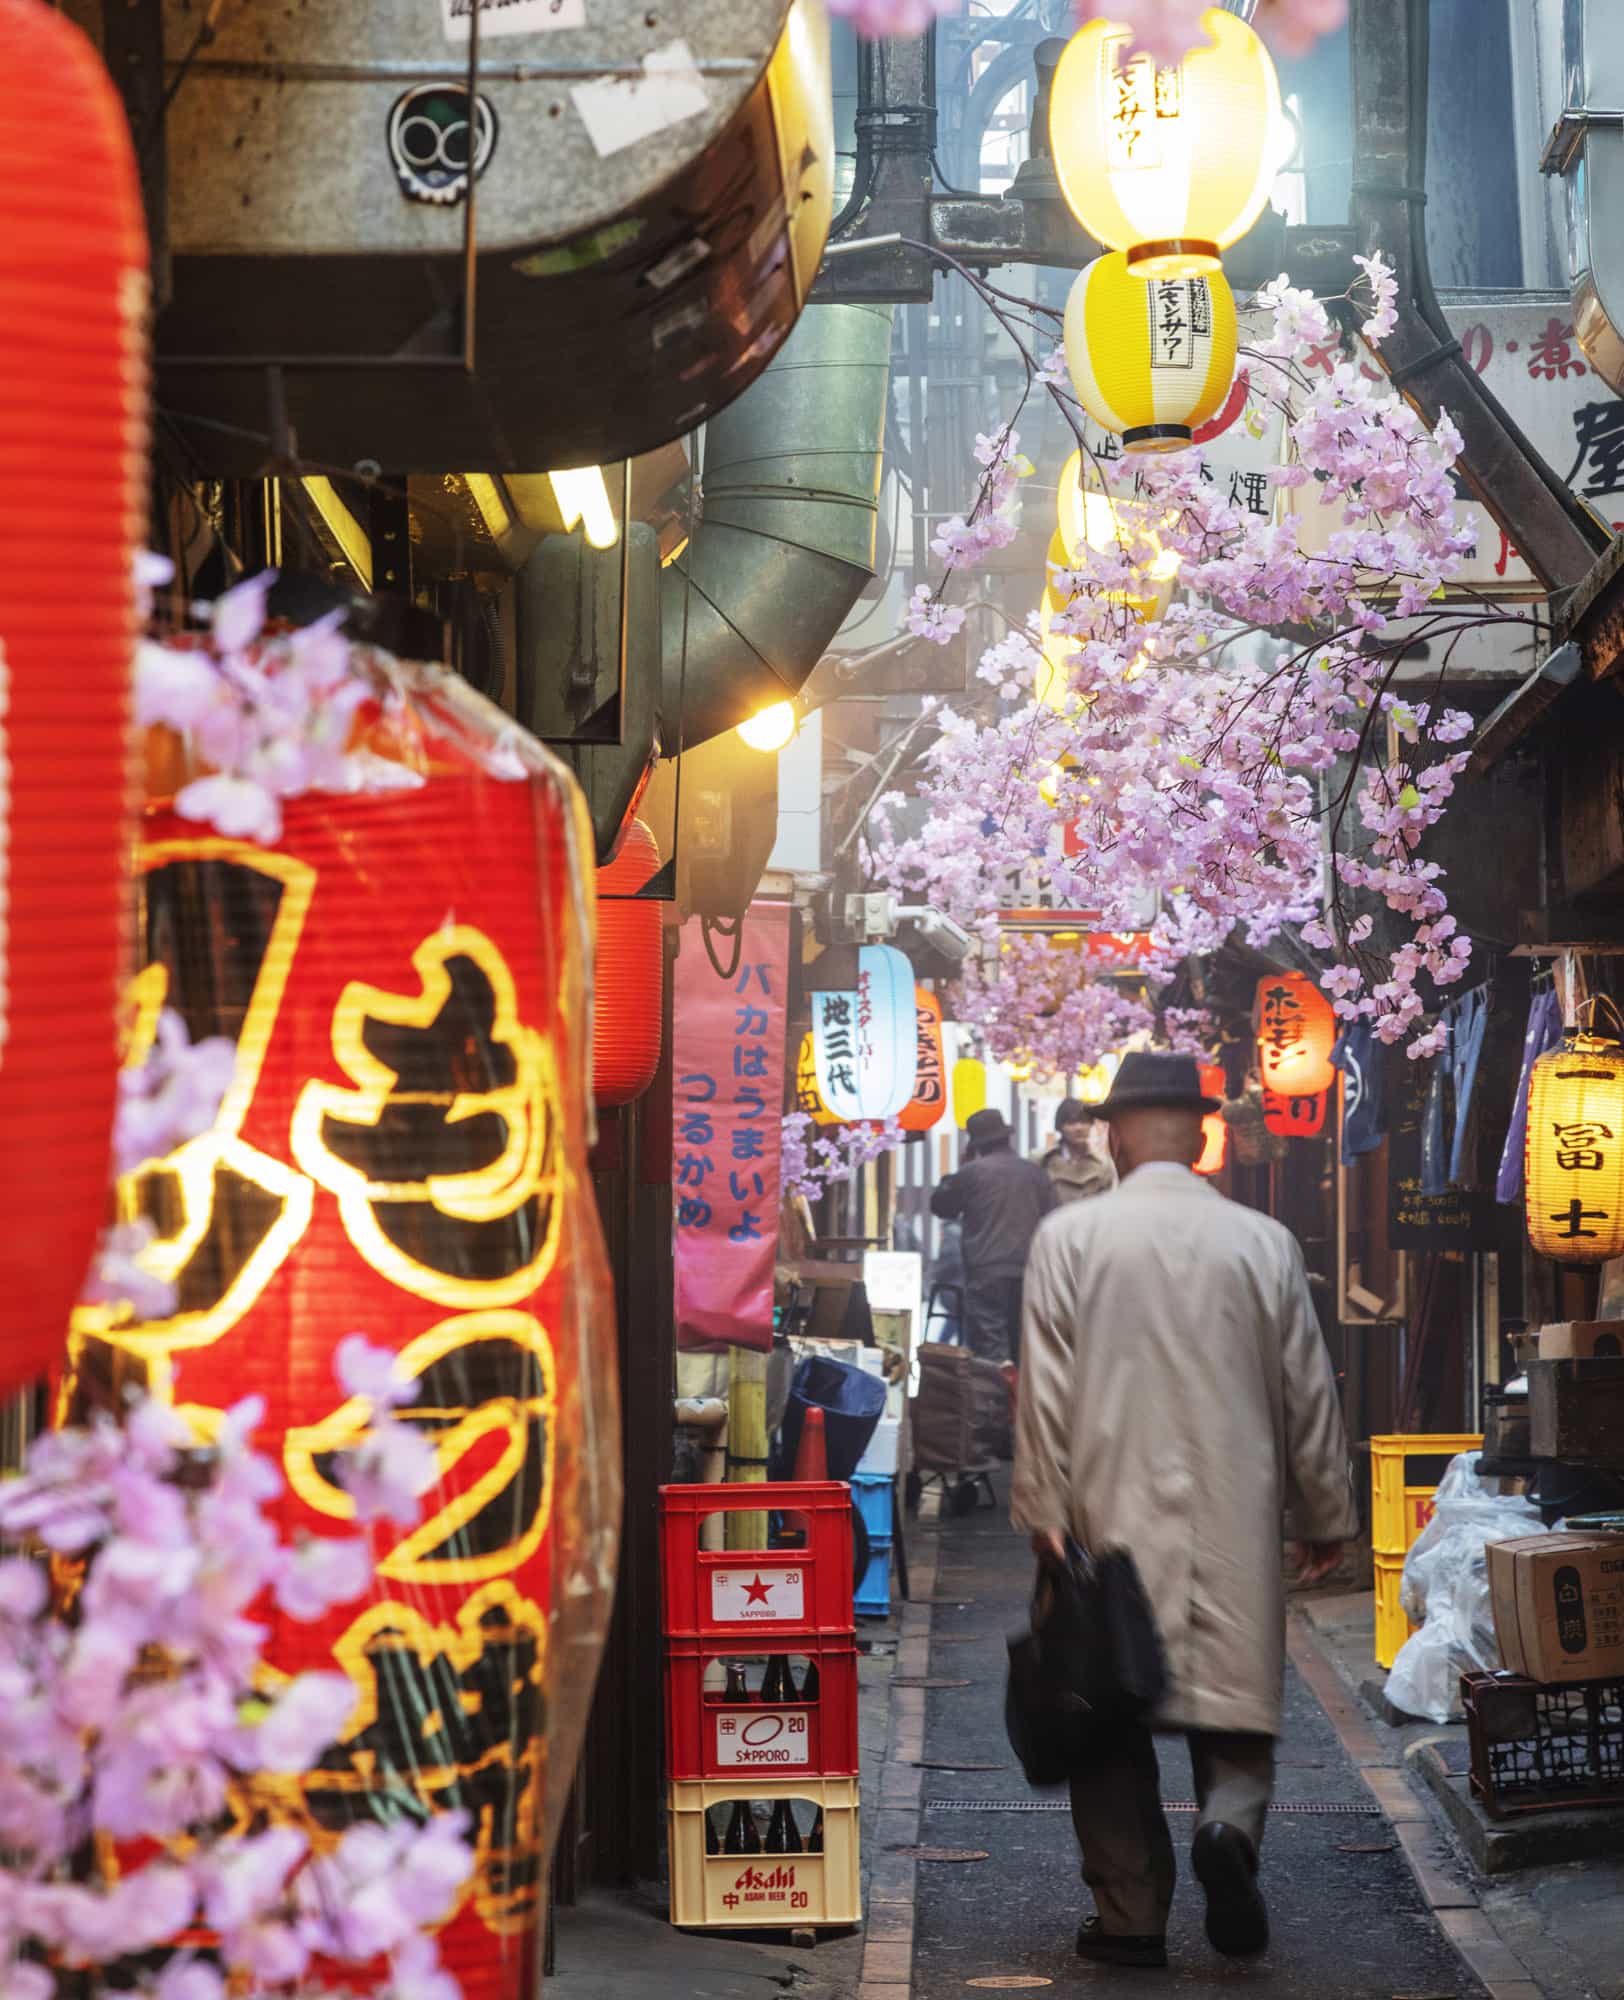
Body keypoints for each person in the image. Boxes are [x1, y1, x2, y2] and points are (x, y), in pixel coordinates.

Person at [1012, 1051, 1356, 1971]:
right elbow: (1306, 1392)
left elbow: (1044, 1389)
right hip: (1235, 1511)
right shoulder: (1264, 1241)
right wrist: (1324, 1507)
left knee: (1107, 1712)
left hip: (1105, 1513)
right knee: (1236, 1710)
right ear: (1204, 1136)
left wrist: (1044, 1505)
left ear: (1117, 1136)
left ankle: (1129, 1917)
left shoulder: (1071, 1238)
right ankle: (1230, 1832)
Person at [929, 1107, 1056, 1365]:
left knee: (990, 1349)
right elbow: (1054, 1217)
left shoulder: (972, 1173)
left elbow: (942, 1207)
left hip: (986, 1271)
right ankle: (1019, 1402)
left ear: (976, 1144)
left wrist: (959, 1171)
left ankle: (994, 1399)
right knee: (1023, 1346)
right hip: (1028, 1271)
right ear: (1006, 1137)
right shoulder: (1034, 1173)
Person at [1040, 1096, 1116, 1206]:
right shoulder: (1043, 1160)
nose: (1079, 1128)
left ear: (1091, 1125)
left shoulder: (1103, 1164)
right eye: (1071, 1123)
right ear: (1060, 1127)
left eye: (1084, 1122)